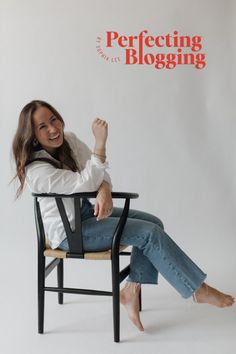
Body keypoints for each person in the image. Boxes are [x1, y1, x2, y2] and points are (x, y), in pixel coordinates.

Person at [12, 99, 234, 332]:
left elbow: (99, 174)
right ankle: (198, 290)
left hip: (86, 213)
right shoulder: (37, 171)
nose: (53, 129)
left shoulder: (69, 141)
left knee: (153, 222)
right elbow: (86, 180)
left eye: (53, 119)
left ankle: (131, 290)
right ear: (33, 135)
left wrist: (105, 191)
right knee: (148, 234)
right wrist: (100, 143)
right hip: (70, 233)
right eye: (43, 126)